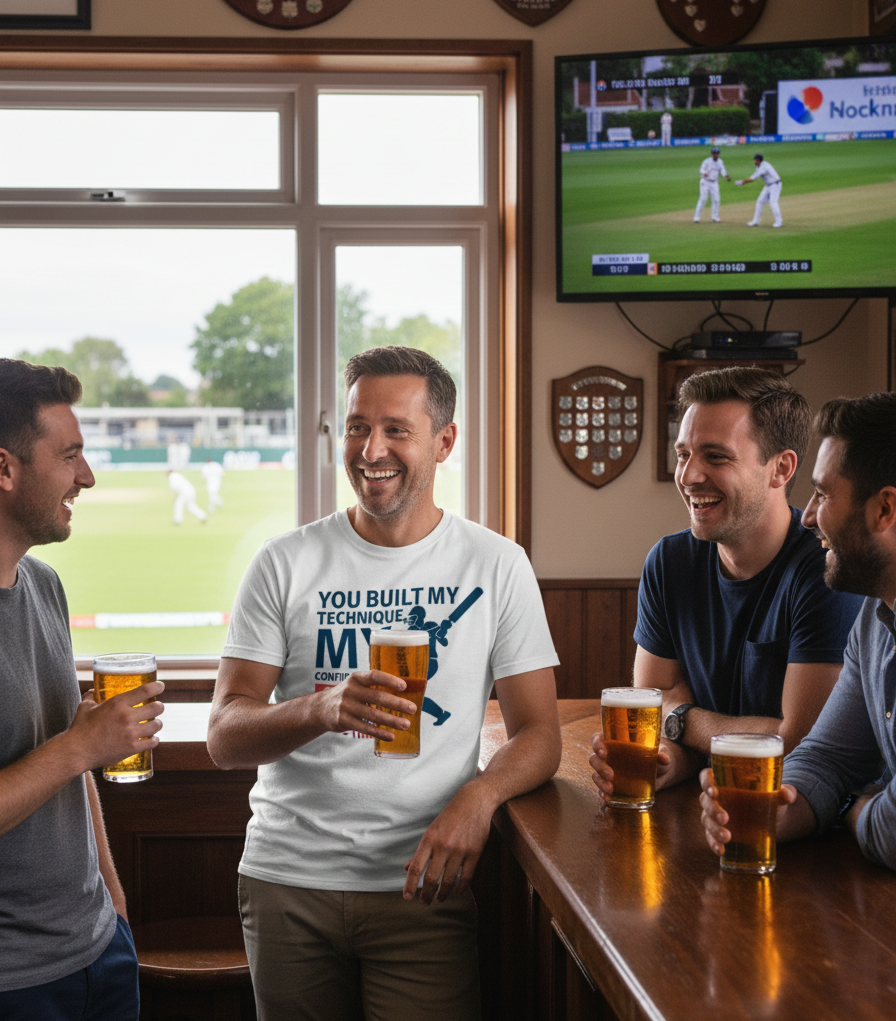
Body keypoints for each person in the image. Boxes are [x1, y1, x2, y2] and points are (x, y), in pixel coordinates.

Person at [207, 345, 561, 1021]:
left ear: (444, 440)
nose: (371, 449)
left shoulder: (496, 564)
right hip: (288, 879)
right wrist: (321, 708)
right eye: (357, 426)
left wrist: (480, 797)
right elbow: (224, 736)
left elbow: (540, 734)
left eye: (396, 428)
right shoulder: (284, 561)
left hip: (424, 883)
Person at [590, 367, 863, 798]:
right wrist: (677, 761)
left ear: (781, 468)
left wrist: (680, 717)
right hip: (705, 804)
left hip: (804, 828)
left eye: (715, 456)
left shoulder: (825, 570)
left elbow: (798, 744)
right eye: (683, 454)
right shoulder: (669, 560)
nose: (689, 475)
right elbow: (651, 695)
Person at [0, 358, 164, 1018]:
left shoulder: (44, 586)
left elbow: (77, 750)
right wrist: (79, 747)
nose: (86, 476)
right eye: (70, 456)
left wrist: (113, 900)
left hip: (99, 949)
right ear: (5, 468)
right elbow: (75, 748)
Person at [700, 392, 896, 871]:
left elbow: (893, 834)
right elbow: (828, 758)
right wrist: (774, 811)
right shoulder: (874, 618)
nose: (807, 516)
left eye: (824, 494)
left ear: (885, 510)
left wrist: (850, 810)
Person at [737, 152, 783, 227]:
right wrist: (744, 181)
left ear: (758, 160)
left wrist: (743, 181)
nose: (754, 161)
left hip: (775, 185)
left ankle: (779, 222)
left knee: (773, 202)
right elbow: (753, 175)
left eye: (755, 160)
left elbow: (753, 178)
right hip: (768, 185)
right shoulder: (759, 166)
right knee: (760, 201)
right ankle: (755, 221)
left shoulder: (764, 167)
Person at [694, 147, 731, 223]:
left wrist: (726, 176)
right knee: (703, 198)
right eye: (714, 153)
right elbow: (701, 169)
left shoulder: (720, 161)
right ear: (712, 154)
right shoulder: (707, 161)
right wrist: (705, 173)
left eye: (717, 153)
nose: (716, 155)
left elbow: (722, 170)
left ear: (719, 154)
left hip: (714, 182)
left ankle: (715, 217)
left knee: (716, 200)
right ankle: (696, 217)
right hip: (705, 181)